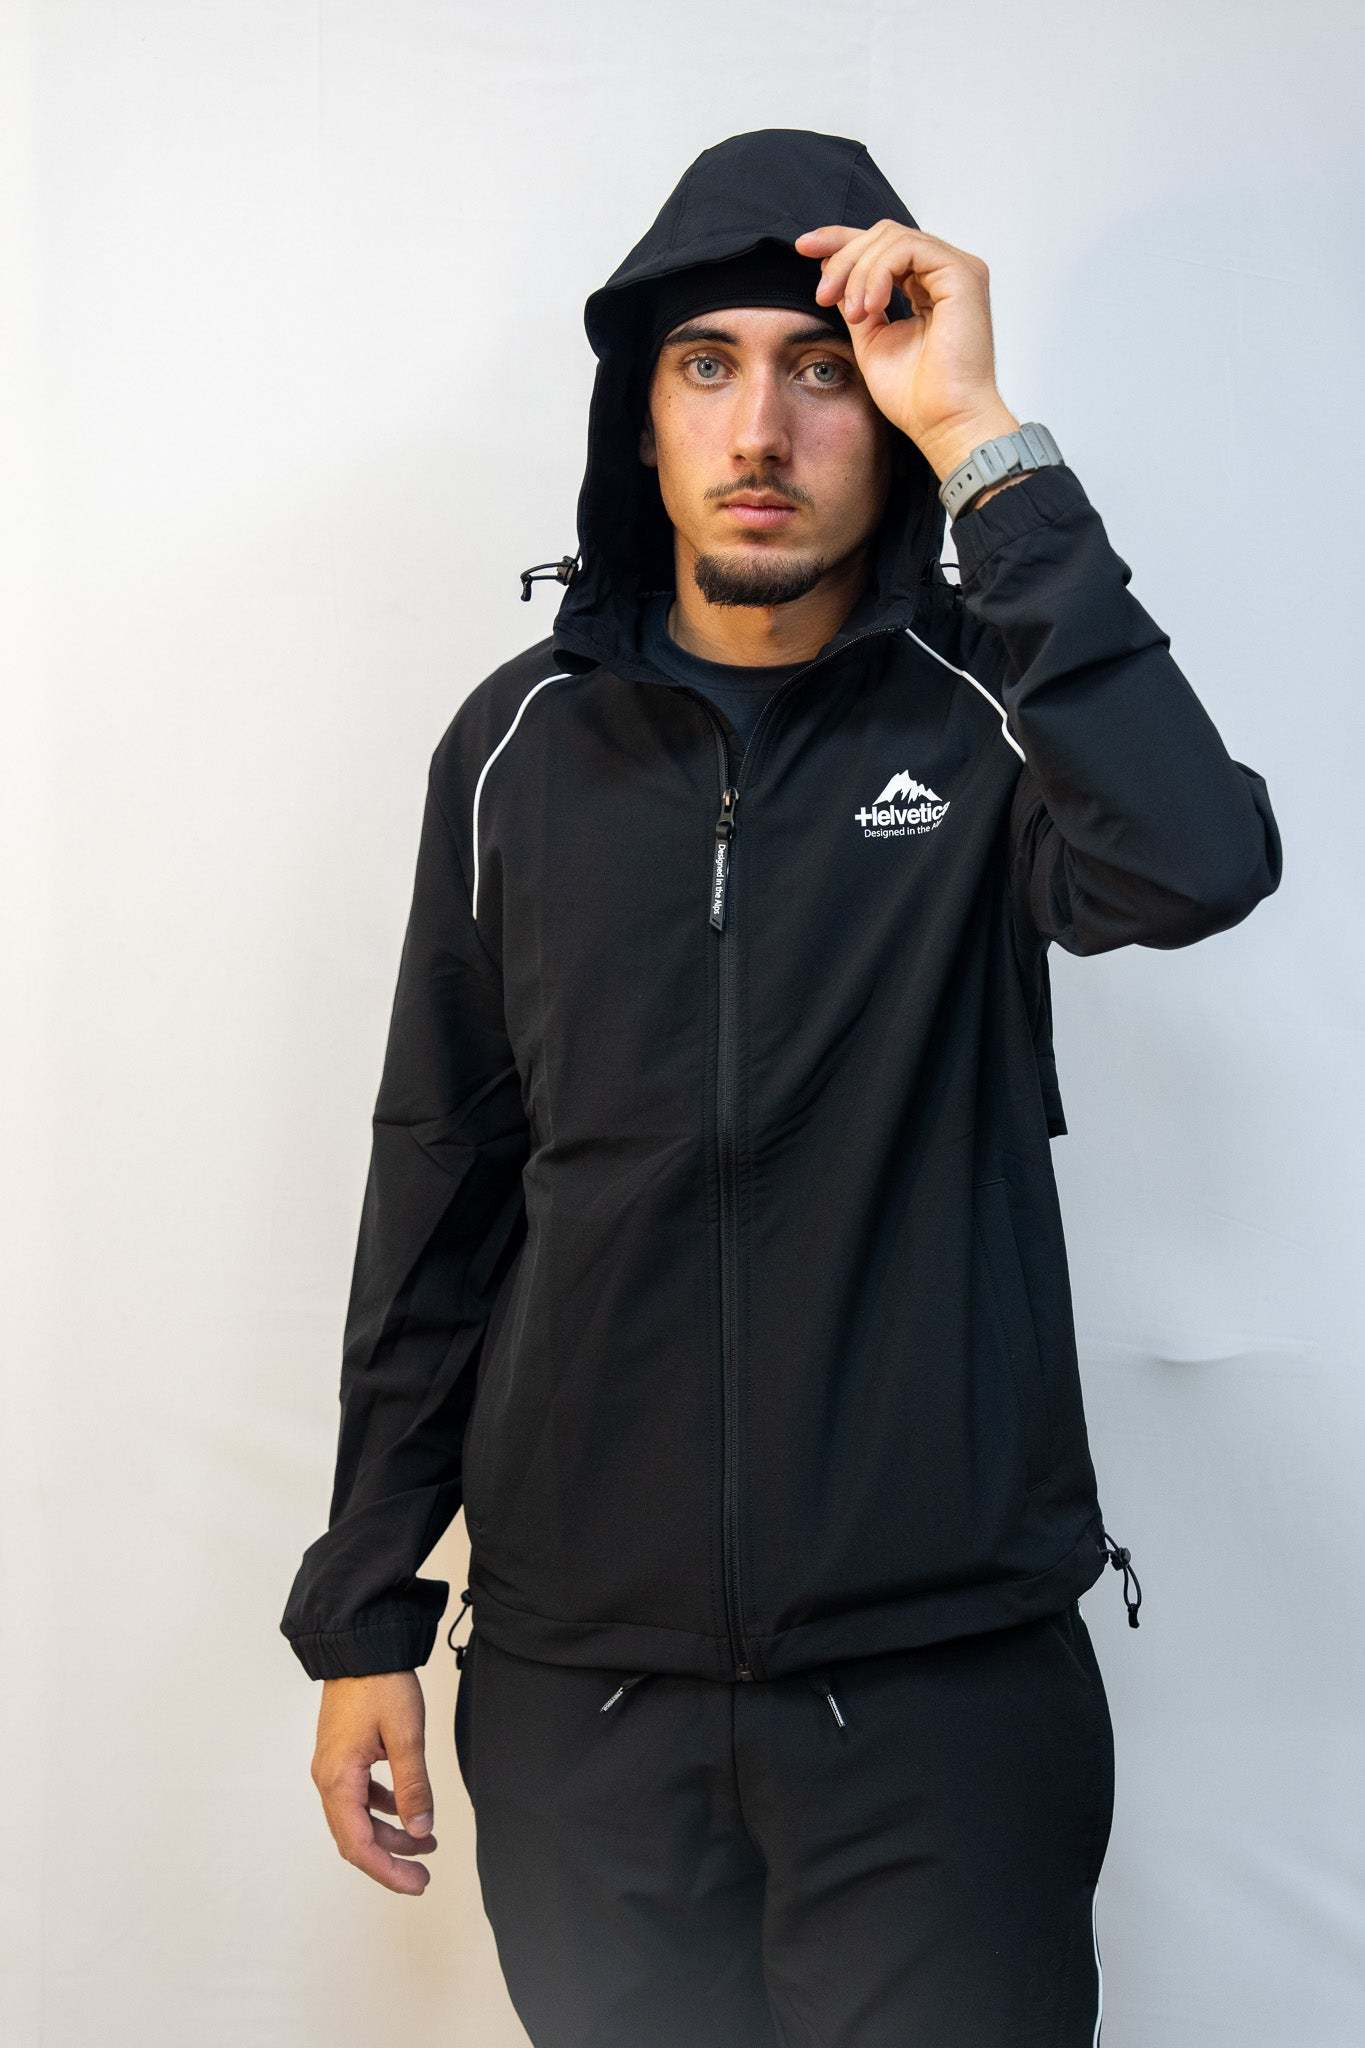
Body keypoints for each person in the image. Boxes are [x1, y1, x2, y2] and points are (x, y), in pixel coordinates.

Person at [281, 127, 1282, 2045]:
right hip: (584, 1699)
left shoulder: (987, 716)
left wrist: (980, 437)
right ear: (639, 419)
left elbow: (1194, 865)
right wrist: (363, 1611)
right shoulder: (516, 746)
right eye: (706, 366)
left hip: (939, 1694)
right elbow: (442, 1180)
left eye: (822, 370)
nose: (761, 428)